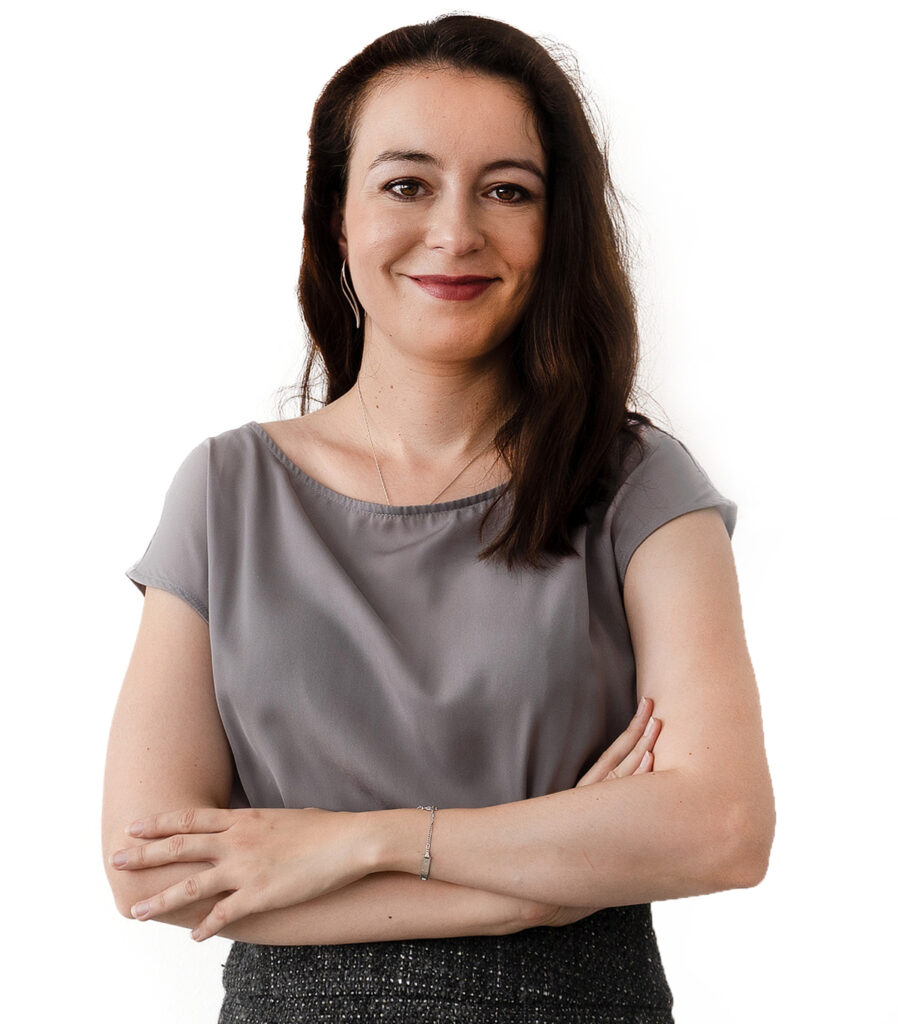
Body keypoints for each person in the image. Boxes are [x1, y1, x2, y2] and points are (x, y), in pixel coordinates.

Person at [102, 14, 775, 1023]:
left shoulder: (638, 484)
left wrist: (355, 841)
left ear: (556, 229)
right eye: (406, 184)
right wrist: (539, 881)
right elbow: (154, 871)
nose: (456, 232)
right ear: (337, 218)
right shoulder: (224, 492)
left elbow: (722, 827)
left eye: (507, 190)